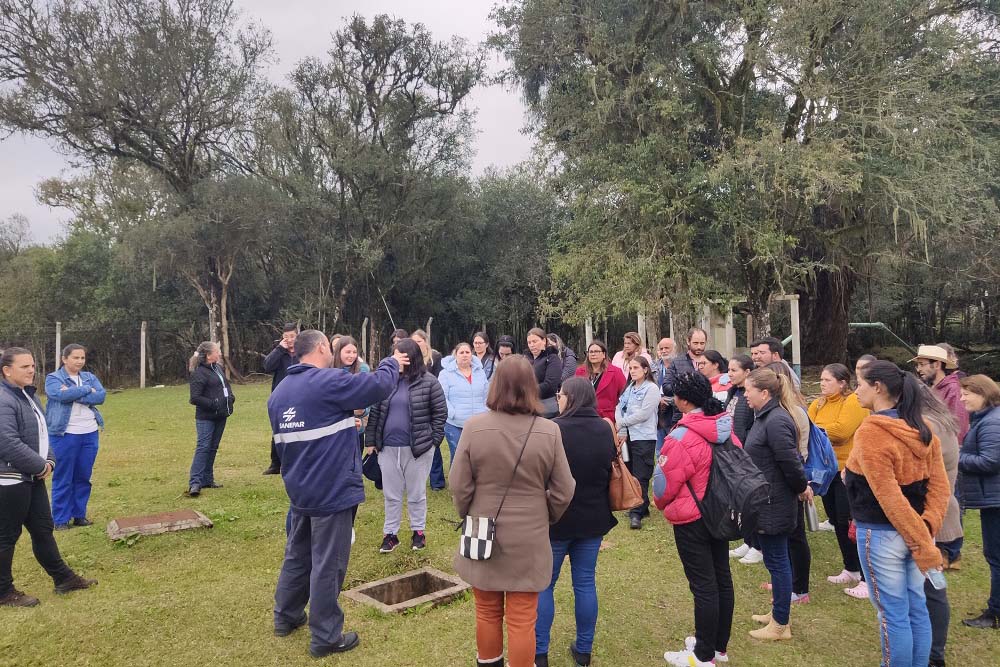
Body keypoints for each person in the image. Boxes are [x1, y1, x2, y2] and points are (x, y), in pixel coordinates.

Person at [268, 330, 407, 658]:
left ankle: (286, 616)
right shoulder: (327, 381)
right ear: (320, 348)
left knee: (298, 554)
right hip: (331, 488)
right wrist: (391, 361)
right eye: (329, 347)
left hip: (300, 489)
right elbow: (377, 386)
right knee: (328, 563)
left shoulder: (279, 394)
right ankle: (326, 636)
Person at [451, 356, 575, 667]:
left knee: (487, 611)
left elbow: (459, 484)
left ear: (495, 386)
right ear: (531, 388)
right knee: (522, 619)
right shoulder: (549, 431)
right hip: (530, 535)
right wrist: (544, 514)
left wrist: (469, 512)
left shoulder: (474, 427)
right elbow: (564, 489)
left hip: (483, 530)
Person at [847, 361, 950, 667]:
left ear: (877, 387)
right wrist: (926, 528)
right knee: (915, 607)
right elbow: (940, 489)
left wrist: (922, 539)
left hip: (882, 535)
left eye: (860, 384)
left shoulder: (873, 431)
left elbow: (889, 497)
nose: (856, 390)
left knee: (893, 614)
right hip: (914, 532)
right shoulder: (922, 427)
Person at [1, 347, 97, 608]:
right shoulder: (3, 399)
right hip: (10, 480)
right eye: (24, 367)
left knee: (43, 529)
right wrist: (39, 465)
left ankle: (63, 578)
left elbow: (44, 431)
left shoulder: (27, 395)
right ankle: (3, 591)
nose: (32, 370)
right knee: (7, 536)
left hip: (31, 477)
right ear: (7, 370)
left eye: (32, 365)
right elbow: (7, 442)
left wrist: (50, 459)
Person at [654, 373, 736, 667]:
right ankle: (716, 646)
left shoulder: (681, 436)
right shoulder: (724, 425)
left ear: (683, 400)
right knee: (721, 578)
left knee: (704, 584)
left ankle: (703, 656)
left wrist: (660, 503)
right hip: (721, 510)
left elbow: (664, 486)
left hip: (693, 517)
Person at [535, 378, 617, 667]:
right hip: (593, 518)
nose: (557, 400)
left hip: (557, 519)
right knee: (585, 583)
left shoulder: (554, 429)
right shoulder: (605, 428)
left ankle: (540, 652)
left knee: (544, 584)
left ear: (569, 397)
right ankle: (583, 651)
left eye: (560, 395)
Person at [743, 368, 811, 640]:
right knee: (774, 560)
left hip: (774, 501)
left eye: (749, 390)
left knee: (779, 562)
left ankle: (781, 623)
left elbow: (791, 464)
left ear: (765, 392)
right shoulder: (765, 417)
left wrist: (801, 488)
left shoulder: (777, 420)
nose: (745, 394)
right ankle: (777, 612)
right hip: (765, 499)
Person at [366, 338, 447, 552]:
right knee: (391, 494)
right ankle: (390, 534)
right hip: (388, 448)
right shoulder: (386, 382)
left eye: (400, 355)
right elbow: (375, 411)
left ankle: (418, 532)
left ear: (411, 357)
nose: (396, 358)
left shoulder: (429, 382)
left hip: (419, 449)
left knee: (416, 493)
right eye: (394, 354)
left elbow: (440, 414)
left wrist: (433, 442)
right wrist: (371, 441)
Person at [808, 364, 870, 599]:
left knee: (851, 522)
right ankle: (850, 567)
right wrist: (820, 431)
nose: (822, 384)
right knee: (836, 520)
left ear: (842, 383)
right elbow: (807, 428)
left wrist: (818, 431)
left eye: (828, 380)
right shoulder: (818, 403)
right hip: (826, 471)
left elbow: (842, 431)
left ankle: (866, 576)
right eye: (822, 380)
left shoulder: (853, 402)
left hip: (848, 469)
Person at [912, 344, 969, 568]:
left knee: (951, 502)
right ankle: (942, 549)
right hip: (939, 450)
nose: (919, 369)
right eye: (917, 364)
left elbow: (958, 425)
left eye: (923, 364)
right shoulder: (933, 387)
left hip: (949, 452)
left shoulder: (953, 389)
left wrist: (949, 449)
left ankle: (951, 551)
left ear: (938, 365)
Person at [763, 361, 813, 604]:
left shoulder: (793, 412)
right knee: (784, 537)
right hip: (780, 479)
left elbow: (797, 454)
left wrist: (800, 484)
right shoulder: (776, 412)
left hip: (790, 480)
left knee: (796, 535)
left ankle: (800, 586)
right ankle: (785, 579)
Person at [43, 344, 106, 530]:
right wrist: (87, 390)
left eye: (82, 358)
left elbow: (100, 397)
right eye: (75, 358)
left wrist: (73, 393)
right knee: (63, 477)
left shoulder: (89, 377)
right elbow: (58, 395)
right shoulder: (53, 378)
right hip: (64, 434)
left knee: (83, 476)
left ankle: (79, 515)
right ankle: (60, 519)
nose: (79, 361)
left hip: (89, 433)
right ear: (64, 359)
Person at [958, 374, 1000, 629]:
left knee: (995, 556)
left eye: (967, 393)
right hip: (992, 499)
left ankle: (994, 613)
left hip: (996, 500)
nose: (961, 398)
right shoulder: (985, 418)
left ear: (983, 394)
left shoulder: (992, 422)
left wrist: (956, 457)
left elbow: (990, 461)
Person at [725, 354, 762, 564]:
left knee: (751, 499)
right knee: (738, 499)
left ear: (748, 372)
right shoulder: (733, 392)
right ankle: (748, 540)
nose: (729, 374)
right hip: (732, 452)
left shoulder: (751, 397)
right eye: (728, 370)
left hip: (747, 454)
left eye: (734, 370)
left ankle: (758, 545)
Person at [615, 356, 659, 530]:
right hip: (629, 436)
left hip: (644, 437)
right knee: (631, 472)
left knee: (641, 474)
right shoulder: (630, 388)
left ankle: (637, 512)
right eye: (631, 368)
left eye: (636, 368)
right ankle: (640, 505)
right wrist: (621, 427)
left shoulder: (652, 388)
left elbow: (644, 414)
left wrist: (622, 423)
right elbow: (619, 407)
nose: (632, 371)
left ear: (645, 369)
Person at [186, 342, 234, 497]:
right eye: (217, 351)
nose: (219, 353)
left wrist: (231, 398)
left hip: (220, 416)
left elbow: (225, 386)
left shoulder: (218, 368)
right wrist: (213, 404)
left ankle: (207, 479)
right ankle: (195, 482)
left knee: (213, 447)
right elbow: (195, 398)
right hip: (206, 417)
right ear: (208, 355)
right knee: (203, 447)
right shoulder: (199, 373)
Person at [439, 342, 490, 469]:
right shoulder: (445, 374)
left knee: (478, 454)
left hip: (478, 422)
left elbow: (486, 394)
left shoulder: (480, 372)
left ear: (471, 355)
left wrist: (486, 411)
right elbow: (442, 397)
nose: (465, 355)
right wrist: (452, 413)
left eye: (467, 352)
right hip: (455, 423)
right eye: (461, 352)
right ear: (455, 355)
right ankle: (457, 485)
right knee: (458, 455)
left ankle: (477, 482)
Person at [411, 329, 446, 489]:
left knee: (433, 444)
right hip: (415, 407)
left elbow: (439, 381)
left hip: (431, 405)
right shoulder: (410, 357)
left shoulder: (435, 358)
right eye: (414, 342)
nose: (417, 344)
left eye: (419, 341)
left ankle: (437, 481)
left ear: (425, 341)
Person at [262, 324, 299, 474]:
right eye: (286, 337)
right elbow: (267, 366)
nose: (289, 340)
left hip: (299, 396)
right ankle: (275, 464)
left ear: (297, 336)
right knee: (278, 429)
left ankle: (295, 462)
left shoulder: (303, 352)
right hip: (281, 397)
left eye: (292, 336)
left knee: (298, 427)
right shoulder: (279, 353)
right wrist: (279, 349)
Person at [663, 328, 708, 428]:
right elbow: (666, 386)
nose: (699, 347)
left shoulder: (712, 361)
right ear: (688, 341)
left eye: (702, 343)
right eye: (695, 343)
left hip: (706, 415)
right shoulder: (677, 362)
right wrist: (685, 389)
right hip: (681, 415)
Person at [574, 340, 627, 422]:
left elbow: (625, 396)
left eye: (596, 351)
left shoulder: (616, 372)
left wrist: (620, 420)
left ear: (604, 354)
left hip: (607, 419)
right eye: (590, 352)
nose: (593, 354)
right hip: (584, 417)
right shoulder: (580, 371)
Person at [332, 336, 371, 446]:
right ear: (338, 352)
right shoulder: (328, 369)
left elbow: (367, 404)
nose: (351, 355)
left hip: (355, 430)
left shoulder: (363, 370)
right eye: (348, 352)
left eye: (354, 352)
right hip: (334, 431)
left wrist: (361, 413)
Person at [525, 327, 563, 419]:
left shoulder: (552, 358)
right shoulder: (525, 359)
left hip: (546, 406)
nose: (532, 345)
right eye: (529, 342)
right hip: (526, 406)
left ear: (544, 341)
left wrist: (527, 392)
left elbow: (550, 385)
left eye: (535, 341)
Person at [654, 337, 677, 447]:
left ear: (674, 349)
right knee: (659, 450)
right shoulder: (653, 367)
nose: (664, 351)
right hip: (658, 415)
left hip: (675, 414)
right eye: (661, 348)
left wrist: (668, 400)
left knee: (674, 448)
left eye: (667, 348)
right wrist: (658, 400)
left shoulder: (680, 366)